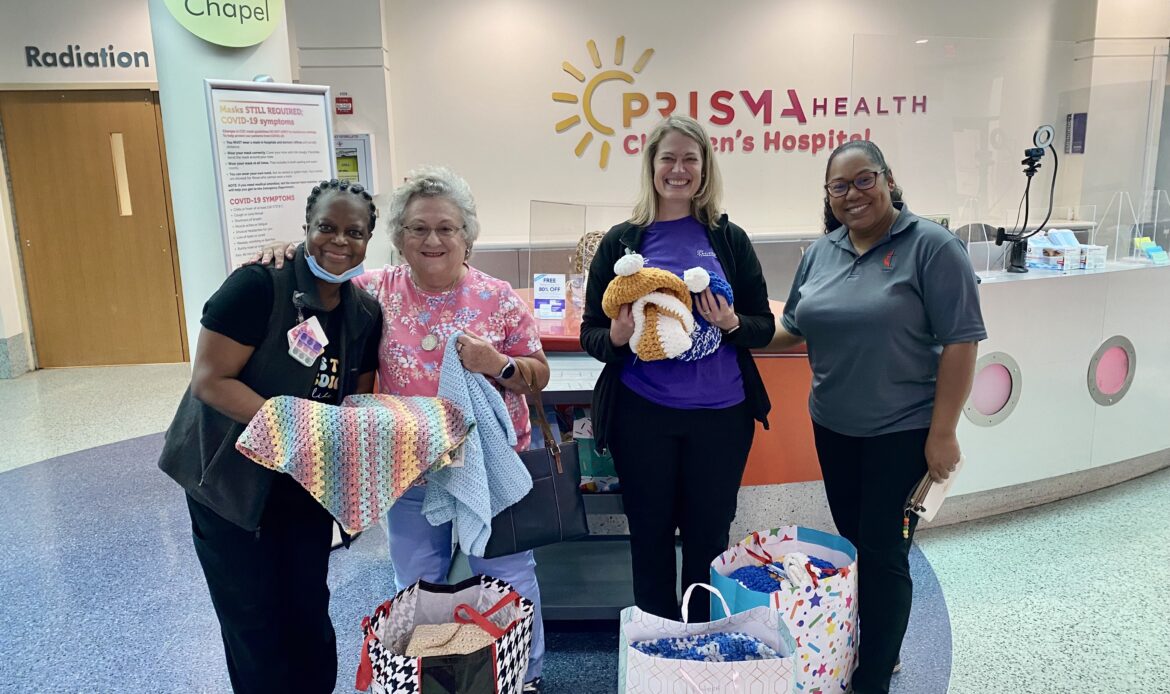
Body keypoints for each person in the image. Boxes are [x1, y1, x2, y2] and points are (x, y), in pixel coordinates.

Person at [261, 166, 551, 692]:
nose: (433, 239)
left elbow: (537, 374)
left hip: (493, 471)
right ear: (397, 238)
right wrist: (287, 257)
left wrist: (496, 364)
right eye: (418, 228)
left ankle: (521, 678)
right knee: (417, 585)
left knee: (511, 579)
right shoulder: (372, 294)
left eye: (447, 228)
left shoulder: (499, 296)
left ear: (468, 236)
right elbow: (314, 286)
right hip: (411, 474)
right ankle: (433, 678)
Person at [768, 140, 986, 694]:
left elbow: (961, 342)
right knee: (855, 537)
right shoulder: (823, 251)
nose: (852, 194)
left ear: (888, 179)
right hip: (834, 424)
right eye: (839, 186)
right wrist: (727, 329)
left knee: (886, 550)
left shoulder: (932, 248)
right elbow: (793, 325)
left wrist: (944, 432)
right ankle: (879, 646)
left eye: (863, 180)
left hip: (903, 428)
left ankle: (874, 677)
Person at [158, 180, 383, 693]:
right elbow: (210, 381)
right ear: (305, 229)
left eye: (354, 231)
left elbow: (355, 402)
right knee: (253, 621)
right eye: (326, 226)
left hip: (302, 483)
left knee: (306, 609)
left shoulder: (364, 312)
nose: (339, 241)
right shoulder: (258, 286)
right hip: (230, 481)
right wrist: (296, 429)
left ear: (369, 239)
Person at [580, 115, 774, 623]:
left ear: (706, 167)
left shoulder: (729, 239)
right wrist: (618, 338)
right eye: (668, 157)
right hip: (643, 416)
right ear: (651, 165)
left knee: (709, 538)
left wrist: (731, 322)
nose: (679, 169)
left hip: (722, 417)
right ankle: (659, 645)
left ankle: (703, 643)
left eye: (691, 158)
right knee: (649, 535)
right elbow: (590, 335)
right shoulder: (623, 243)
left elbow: (763, 325)